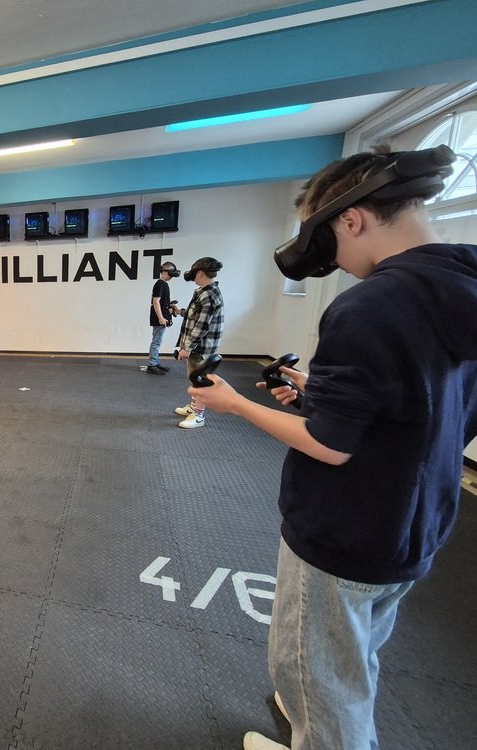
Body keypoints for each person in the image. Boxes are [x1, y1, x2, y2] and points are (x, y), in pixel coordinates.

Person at [187, 146, 477, 750]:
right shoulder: (463, 287)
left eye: (332, 243)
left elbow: (330, 445)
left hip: (345, 531)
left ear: (352, 218)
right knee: (352, 662)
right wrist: (322, 392)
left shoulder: (372, 304)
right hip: (416, 523)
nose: (338, 263)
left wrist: (236, 404)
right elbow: (422, 411)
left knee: (318, 678)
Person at [173, 257, 224, 428]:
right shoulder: (204, 292)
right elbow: (195, 315)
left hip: (201, 347)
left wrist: (187, 347)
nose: (193, 277)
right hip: (197, 347)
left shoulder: (208, 295)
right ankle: (194, 407)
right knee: (195, 378)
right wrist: (179, 311)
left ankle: (199, 415)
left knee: (200, 380)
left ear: (201, 273)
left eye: (195, 273)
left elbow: (202, 326)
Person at [142, 261, 180, 375]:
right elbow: (156, 301)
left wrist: (170, 308)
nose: (171, 276)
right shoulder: (159, 284)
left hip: (163, 317)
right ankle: (152, 365)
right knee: (156, 341)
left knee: (158, 341)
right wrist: (161, 318)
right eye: (170, 273)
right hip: (159, 318)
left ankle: (156, 362)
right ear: (163, 272)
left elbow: (162, 302)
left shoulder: (164, 284)